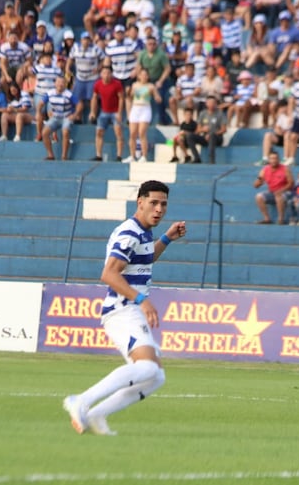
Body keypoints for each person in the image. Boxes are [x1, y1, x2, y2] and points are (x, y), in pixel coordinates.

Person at [63, 180, 187, 436]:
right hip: (123, 309)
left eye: (163, 204)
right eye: (153, 203)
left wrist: (166, 239)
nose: (159, 209)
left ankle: (97, 415)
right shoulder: (129, 232)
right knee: (148, 368)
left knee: (156, 377)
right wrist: (142, 300)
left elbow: (145, 257)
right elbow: (109, 274)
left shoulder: (143, 232)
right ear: (139, 202)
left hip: (130, 309)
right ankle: (82, 401)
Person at [126, 68, 161, 163]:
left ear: (148, 76)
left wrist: (157, 97)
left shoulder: (150, 86)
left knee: (142, 133)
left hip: (145, 109)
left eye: (146, 75)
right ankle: (132, 156)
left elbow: (157, 97)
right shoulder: (134, 85)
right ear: (139, 76)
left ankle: (144, 156)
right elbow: (129, 98)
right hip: (135, 108)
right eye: (142, 74)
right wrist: (129, 112)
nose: (144, 76)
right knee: (132, 133)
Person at [90, 66, 124, 161]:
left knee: (118, 133)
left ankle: (119, 156)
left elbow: (121, 98)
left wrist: (120, 113)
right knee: (99, 132)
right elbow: (94, 97)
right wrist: (93, 112)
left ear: (111, 74)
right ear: (101, 74)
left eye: (108, 73)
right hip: (104, 111)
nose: (106, 75)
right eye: (104, 73)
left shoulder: (117, 84)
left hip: (115, 111)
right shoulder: (98, 84)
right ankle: (98, 155)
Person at [40, 75, 76, 160]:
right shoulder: (50, 93)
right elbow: (41, 103)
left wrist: (74, 115)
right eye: (58, 82)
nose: (60, 84)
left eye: (62, 82)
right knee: (44, 132)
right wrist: (39, 113)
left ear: (65, 84)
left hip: (66, 117)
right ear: (55, 83)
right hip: (55, 117)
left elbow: (79, 105)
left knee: (65, 132)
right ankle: (50, 155)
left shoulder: (69, 94)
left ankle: (64, 156)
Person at [254, 150, 294, 225]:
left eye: (275, 158)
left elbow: (291, 183)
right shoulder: (265, 169)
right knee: (258, 197)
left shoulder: (285, 169)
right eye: (272, 158)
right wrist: (259, 180)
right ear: (269, 160)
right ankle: (267, 218)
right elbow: (256, 185)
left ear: (279, 159)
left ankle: (281, 219)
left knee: (278, 196)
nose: (274, 160)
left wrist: (281, 190)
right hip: (272, 192)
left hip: (286, 192)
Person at [196, 95, 227, 164]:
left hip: (217, 138)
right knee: (190, 136)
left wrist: (212, 134)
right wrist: (203, 130)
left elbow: (224, 129)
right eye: (209, 102)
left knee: (212, 136)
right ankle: (196, 158)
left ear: (216, 104)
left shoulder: (220, 114)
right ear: (206, 103)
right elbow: (197, 130)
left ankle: (211, 160)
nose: (211, 104)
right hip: (205, 137)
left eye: (213, 103)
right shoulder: (203, 113)